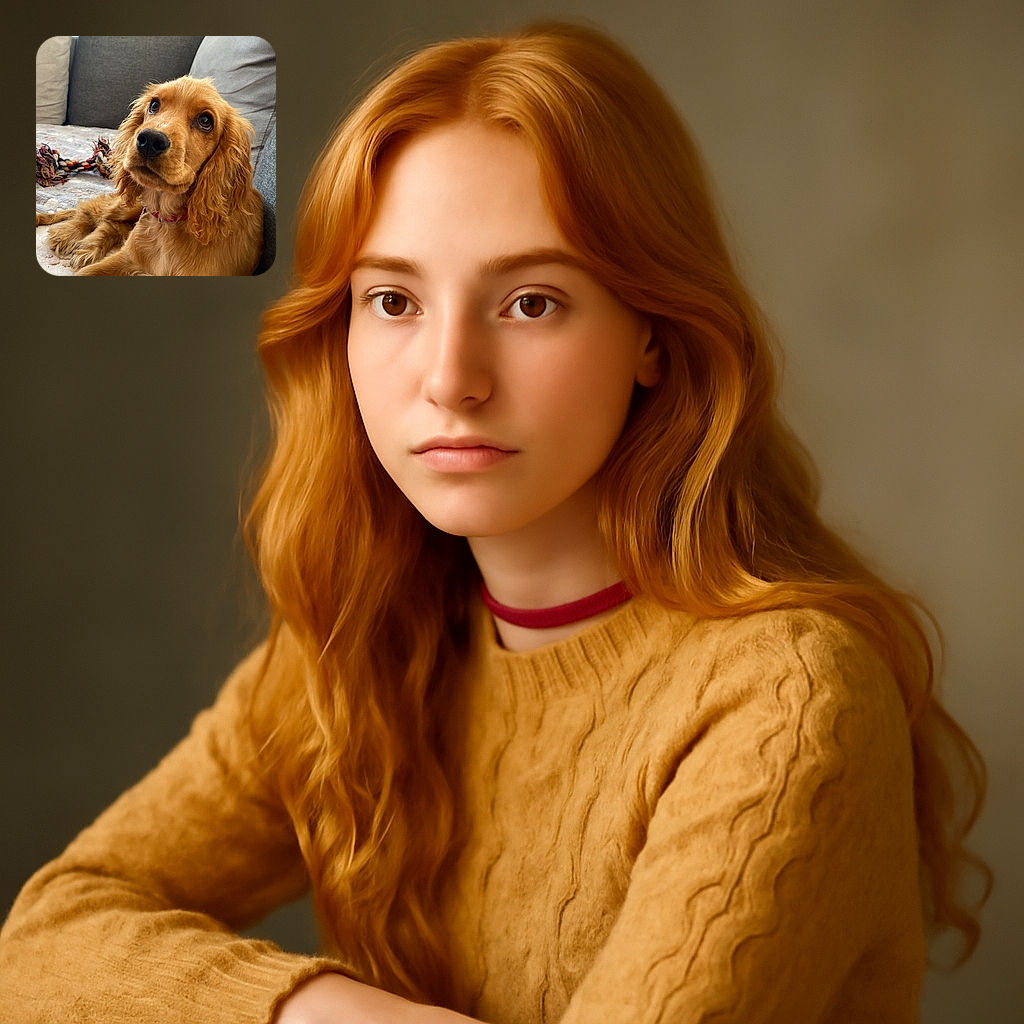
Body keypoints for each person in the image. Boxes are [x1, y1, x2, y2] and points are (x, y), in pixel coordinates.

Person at [0, 21, 988, 1024]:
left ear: (654, 331)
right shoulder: (348, 649)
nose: (449, 381)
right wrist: (320, 1011)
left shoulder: (789, 698)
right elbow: (44, 936)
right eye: (392, 300)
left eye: (529, 302)